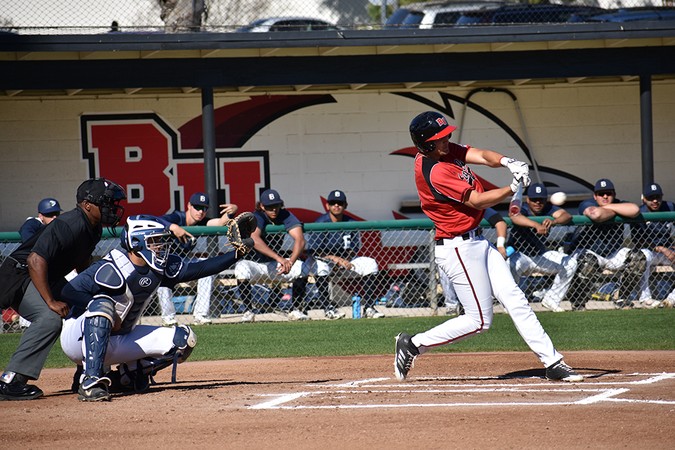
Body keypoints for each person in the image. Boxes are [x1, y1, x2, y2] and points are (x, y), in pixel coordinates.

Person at [394, 111, 582, 383]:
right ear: (425, 144)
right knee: (479, 321)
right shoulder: (434, 171)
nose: (445, 140)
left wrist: (509, 161)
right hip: (457, 249)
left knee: (516, 299)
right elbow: (478, 201)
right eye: (439, 139)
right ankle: (413, 344)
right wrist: (512, 187)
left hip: (478, 242)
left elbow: (481, 155)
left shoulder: (444, 152)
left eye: (446, 135)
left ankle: (553, 362)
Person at [59, 214, 254, 401]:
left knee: (182, 340)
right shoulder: (113, 266)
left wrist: (237, 253)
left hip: (120, 338)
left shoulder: (159, 266)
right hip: (78, 340)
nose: (161, 246)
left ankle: (124, 379)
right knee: (103, 303)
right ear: (136, 242)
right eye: (154, 241)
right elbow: (68, 292)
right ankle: (90, 380)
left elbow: (200, 268)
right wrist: (107, 312)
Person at [0, 178, 126, 401]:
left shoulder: (92, 227)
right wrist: (50, 301)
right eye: (105, 203)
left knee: (90, 308)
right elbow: (35, 260)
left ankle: (87, 371)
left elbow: (81, 259)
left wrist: (86, 292)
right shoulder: (69, 224)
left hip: (47, 277)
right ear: (87, 205)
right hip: (20, 275)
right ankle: (11, 380)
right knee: (49, 319)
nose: (111, 208)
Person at [156, 192, 239, 326]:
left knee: (207, 269)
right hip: (165, 263)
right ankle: (168, 318)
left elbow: (220, 222)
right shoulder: (177, 217)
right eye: (197, 207)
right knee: (162, 274)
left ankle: (200, 315)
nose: (200, 211)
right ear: (189, 206)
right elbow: (155, 221)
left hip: (183, 265)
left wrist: (233, 211)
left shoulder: (202, 222)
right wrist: (174, 227)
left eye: (204, 208)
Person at [302, 189, 382, 320]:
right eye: (333, 203)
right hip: (322, 261)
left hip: (345, 262)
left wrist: (345, 261)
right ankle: (328, 308)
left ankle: (369, 307)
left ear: (345, 205)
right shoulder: (321, 223)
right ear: (327, 205)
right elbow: (314, 251)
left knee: (370, 263)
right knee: (322, 266)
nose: (336, 206)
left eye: (339, 203)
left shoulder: (350, 222)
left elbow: (354, 248)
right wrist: (336, 260)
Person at [233, 189, 308, 322]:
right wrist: (280, 258)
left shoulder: (284, 214)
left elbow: (300, 240)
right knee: (241, 268)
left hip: (275, 266)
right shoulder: (257, 216)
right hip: (254, 264)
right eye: (269, 207)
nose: (274, 209)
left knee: (301, 267)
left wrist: (290, 261)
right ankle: (248, 311)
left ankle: (295, 309)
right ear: (262, 206)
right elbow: (255, 239)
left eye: (276, 205)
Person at [569, 178, 642, 309]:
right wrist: (618, 211)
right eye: (601, 194)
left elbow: (635, 210)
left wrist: (606, 208)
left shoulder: (619, 203)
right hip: (590, 252)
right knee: (587, 262)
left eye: (608, 193)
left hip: (613, 253)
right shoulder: (586, 203)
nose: (605, 196)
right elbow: (596, 215)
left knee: (638, 258)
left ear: (614, 194)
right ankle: (578, 302)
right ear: (594, 196)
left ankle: (621, 297)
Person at [508, 183, 577, 312]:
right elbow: (515, 217)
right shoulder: (522, 208)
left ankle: (551, 300)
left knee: (570, 263)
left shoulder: (548, 208)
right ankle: (511, 303)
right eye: (534, 199)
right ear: (527, 199)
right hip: (520, 254)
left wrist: (553, 221)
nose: (538, 203)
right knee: (511, 264)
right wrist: (536, 225)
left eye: (541, 199)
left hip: (540, 255)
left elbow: (567, 216)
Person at [440, 207, 507, 315]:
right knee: (444, 271)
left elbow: (500, 222)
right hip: (451, 246)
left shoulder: (476, 204)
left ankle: (489, 302)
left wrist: (500, 245)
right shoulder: (445, 207)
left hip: (473, 244)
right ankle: (452, 306)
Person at [13, 198, 64, 329]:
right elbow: (28, 240)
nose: (53, 217)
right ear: (40, 215)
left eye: (56, 214)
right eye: (49, 214)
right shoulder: (33, 223)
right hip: (26, 271)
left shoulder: (57, 227)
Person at [630, 182, 674, 308]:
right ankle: (646, 298)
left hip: (668, 251)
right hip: (650, 251)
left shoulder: (670, 207)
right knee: (644, 257)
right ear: (644, 199)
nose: (655, 201)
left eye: (658, 197)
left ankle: (671, 300)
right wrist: (661, 249)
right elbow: (637, 241)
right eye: (650, 198)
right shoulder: (639, 212)